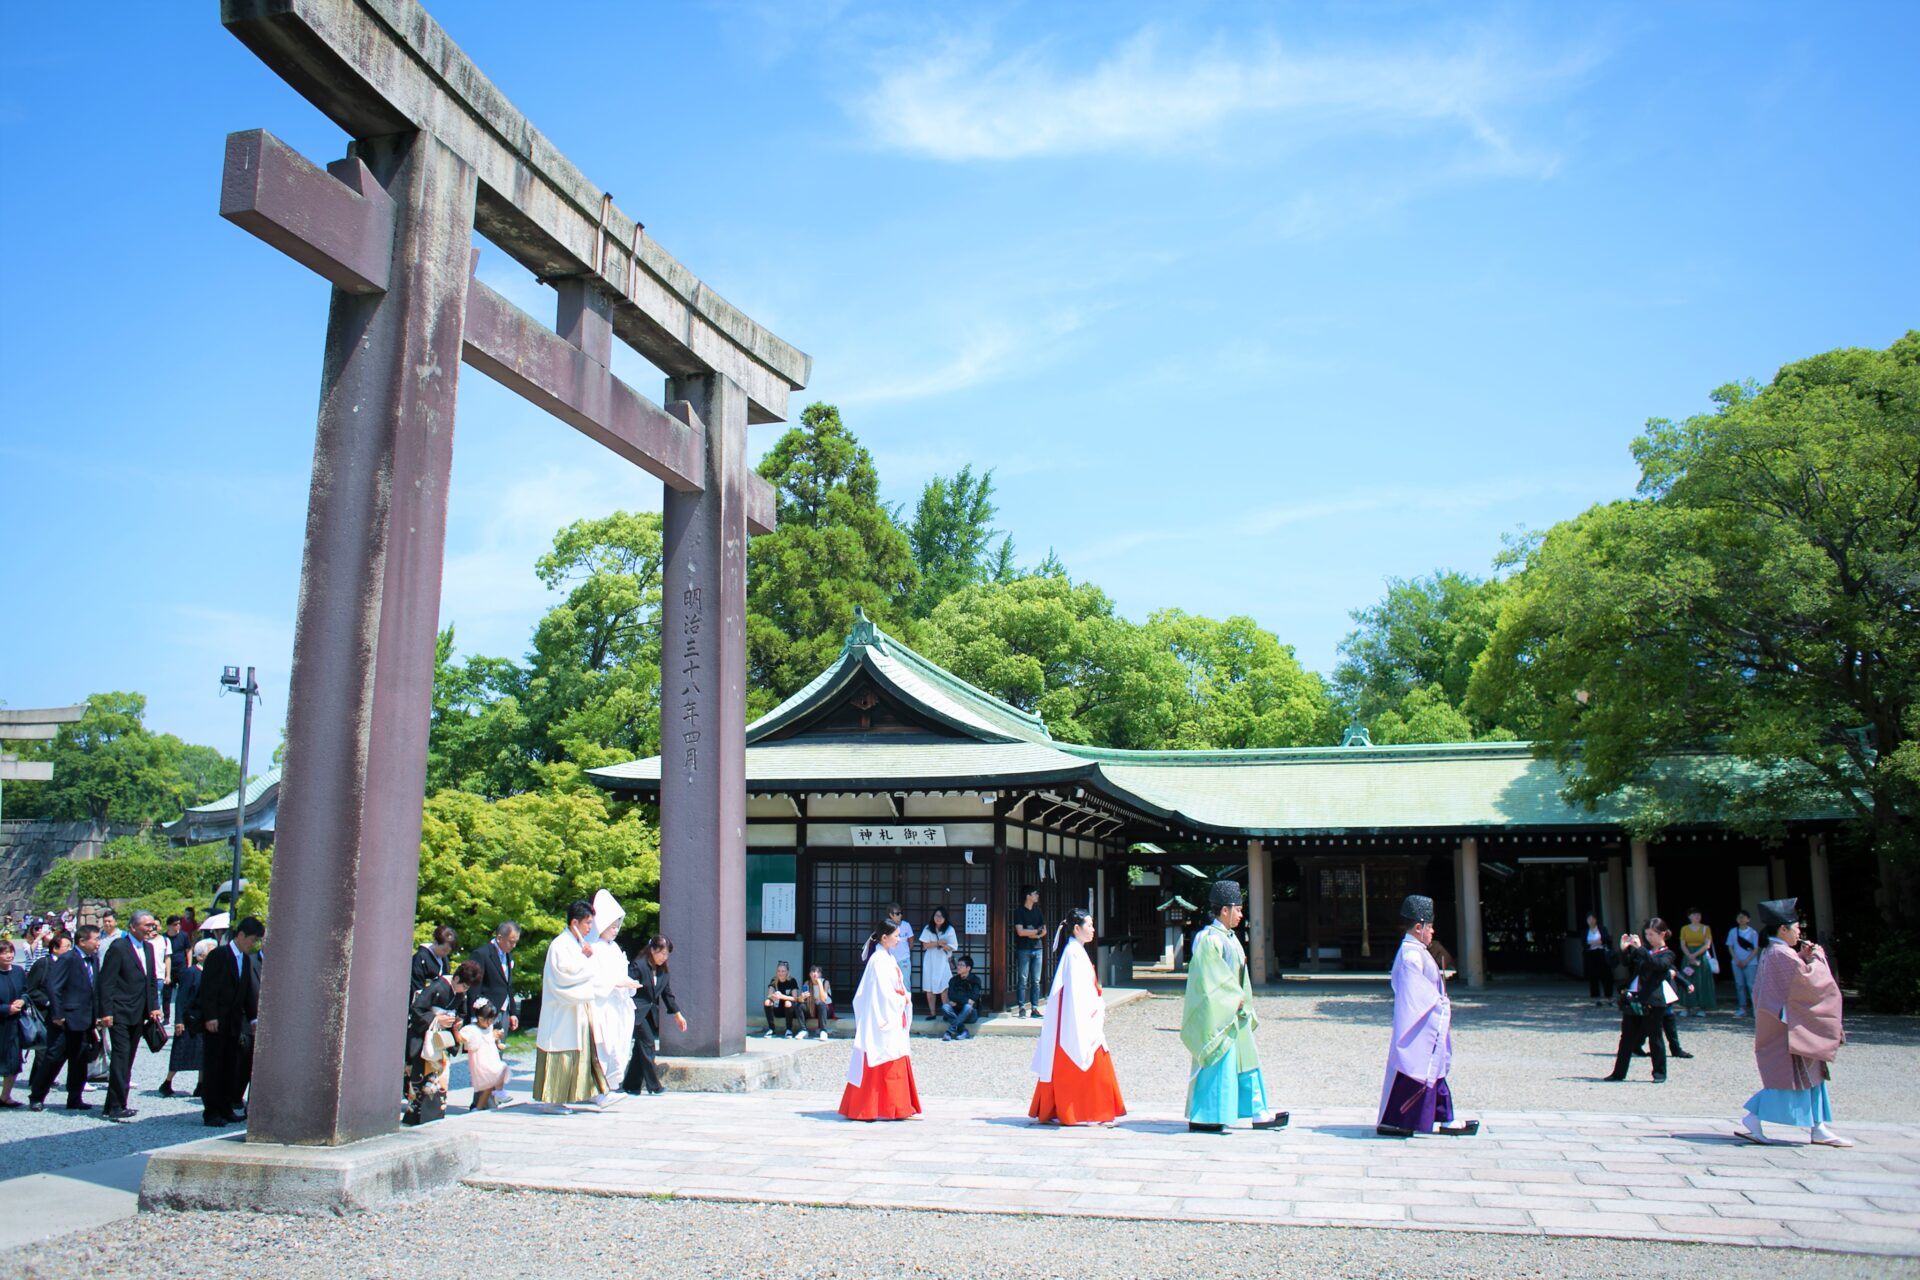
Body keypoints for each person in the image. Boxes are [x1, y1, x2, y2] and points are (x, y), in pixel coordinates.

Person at [1739, 898, 1851, 1147]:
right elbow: (1809, 982)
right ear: (1783, 929)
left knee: (1807, 1077)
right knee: (1788, 1081)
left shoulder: (1776, 952)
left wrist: (1802, 956)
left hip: (1787, 1026)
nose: (1799, 932)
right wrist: (1817, 959)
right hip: (1790, 1030)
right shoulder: (1781, 954)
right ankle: (1754, 1117)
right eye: (1796, 927)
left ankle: (1818, 1126)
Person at [1181, 881, 1287, 1135]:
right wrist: (1234, 998)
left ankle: (1259, 1111)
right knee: (1219, 1062)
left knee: (1247, 1061)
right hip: (1220, 1014)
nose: (1241, 914)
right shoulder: (1209, 940)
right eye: (1238, 909)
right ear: (1224, 911)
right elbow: (1210, 980)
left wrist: (1240, 1000)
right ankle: (1206, 1116)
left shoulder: (1230, 938)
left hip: (1235, 1010)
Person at [1377, 895, 1477, 1138]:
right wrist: (1439, 1004)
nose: (1433, 931)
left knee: (1434, 1071)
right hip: (1420, 1024)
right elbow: (1415, 995)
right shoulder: (1412, 955)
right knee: (1418, 1071)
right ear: (1419, 927)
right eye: (1430, 927)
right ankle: (1399, 1120)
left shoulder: (1416, 952)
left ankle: (1445, 1117)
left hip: (1426, 1024)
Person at [1029, 909, 1125, 1126]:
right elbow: (1075, 991)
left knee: (1090, 1062)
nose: (1092, 930)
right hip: (1077, 1016)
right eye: (1089, 925)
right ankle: (1087, 1111)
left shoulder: (1076, 951)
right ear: (1077, 929)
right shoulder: (1073, 953)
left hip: (1082, 1013)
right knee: (1086, 1062)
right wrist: (1088, 1013)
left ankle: (1086, 1110)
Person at [839, 919, 920, 1121]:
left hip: (889, 1013)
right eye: (896, 936)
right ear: (884, 938)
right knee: (884, 1054)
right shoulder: (879, 960)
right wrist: (902, 998)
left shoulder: (887, 957)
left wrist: (902, 997)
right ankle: (879, 1107)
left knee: (892, 1054)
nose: (899, 939)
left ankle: (893, 1106)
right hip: (882, 1016)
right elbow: (883, 992)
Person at [534, 901, 608, 1105]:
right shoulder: (560, 945)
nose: (589, 928)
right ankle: (553, 1100)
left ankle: (592, 1093)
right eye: (587, 923)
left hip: (577, 1009)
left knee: (584, 1052)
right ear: (574, 922)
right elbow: (563, 974)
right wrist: (588, 963)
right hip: (562, 1011)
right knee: (562, 1054)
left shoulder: (576, 944)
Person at [95, 909, 165, 1122]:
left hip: (139, 1012)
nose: (150, 929)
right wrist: (105, 1012)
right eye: (146, 925)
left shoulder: (149, 948)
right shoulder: (119, 948)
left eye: (152, 925)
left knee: (129, 1058)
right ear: (133, 927)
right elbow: (106, 982)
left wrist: (154, 1005)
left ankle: (113, 1102)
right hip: (120, 1012)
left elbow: (151, 980)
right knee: (120, 1057)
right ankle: (117, 1105)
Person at [198, 916, 264, 1127]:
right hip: (217, 1020)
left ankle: (226, 1107)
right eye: (252, 939)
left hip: (234, 1022)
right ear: (241, 935)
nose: (252, 944)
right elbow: (208, 988)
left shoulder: (245, 960)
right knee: (214, 1066)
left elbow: (246, 993)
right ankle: (212, 1111)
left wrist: (252, 1017)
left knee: (230, 1066)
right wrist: (210, 1016)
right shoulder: (219, 955)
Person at [29, 924, 101, 1113]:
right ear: (82, 941)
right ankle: (37, 1095)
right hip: (66, 1018)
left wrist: (97, 1015)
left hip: (85, 1018)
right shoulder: (68, 958)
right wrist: (58, 1014)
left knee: (79, 1059)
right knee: (54, 1057)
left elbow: (94, 988)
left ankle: (75, 1097)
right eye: (95, 939)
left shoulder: (93, 959)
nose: (98, 943)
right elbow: (54, 987)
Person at [1604, 918, 1676, 1083]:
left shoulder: (1668, 954)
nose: (1648, 937)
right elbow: (1627, 962)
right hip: (1634, 997)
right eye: (1646, 934)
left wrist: (1641, 948)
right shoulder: (1645, 951)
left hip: (1653, 999)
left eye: (1651, 934)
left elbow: (1657, 965)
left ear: (1662, 934)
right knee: (1626, 1037)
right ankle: (1618, 1072)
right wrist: (1624, 949)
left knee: (1655, 1036)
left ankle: (1659, 1073)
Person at [409, 959, 479, 1107]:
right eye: (464, 986)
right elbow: (417, 1008)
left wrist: (458, 1021)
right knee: (422, 1076)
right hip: (427, 1037)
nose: (465, 990)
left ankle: (437, 1109)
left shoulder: (460, 993)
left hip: (442, 1040)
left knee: (441, 1076)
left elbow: (462, 1012)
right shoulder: (437, 986)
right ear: (456, 978)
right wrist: (436, 1018)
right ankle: (416, 1112)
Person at [587, 890, 640, 1085]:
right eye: (612, 926)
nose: (615, 930)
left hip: (619, 1004)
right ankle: (599, 1086)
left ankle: (609, 1085)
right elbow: (594, 979)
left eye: (617, 926)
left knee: (619, 1045)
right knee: (605, 1046)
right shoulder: (594, 948)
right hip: (604, 1004)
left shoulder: (615, 948)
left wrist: (628, 984)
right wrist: (615, 983)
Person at [623, 935, 684, 1095]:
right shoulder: (639, 966)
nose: (664, 958)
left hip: (649, 1014)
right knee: (649, 1044)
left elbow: (667, 994)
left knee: (639, 1050)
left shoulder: (663, 972)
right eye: (661, 953)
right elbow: (627, 986)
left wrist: (677, 1014)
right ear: (652, 950)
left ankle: (631, 1085)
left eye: (666, 955)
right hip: (636, 1012)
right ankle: (654, 1085)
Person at [161, 938, 214, 1098]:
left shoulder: (211, 973)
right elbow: (181, 998)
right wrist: (178, 1021)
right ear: (200, 956)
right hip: (189, 1018)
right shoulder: (191, 972)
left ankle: (201, 1084)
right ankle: (167, 1082)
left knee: (203, 1053)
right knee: (181, 1051)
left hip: (203, 1018)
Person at [466, 921, 522, 1033]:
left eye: (516, 942)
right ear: (499, 938)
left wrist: (513, 1012)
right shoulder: (481, 954)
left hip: (504, 1011)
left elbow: (507, 985)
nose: (514, 946)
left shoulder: (508, 955)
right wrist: (474, 1016)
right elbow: (474, 986)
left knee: (499, 1048)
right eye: (511, 942)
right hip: (485, 1012)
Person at [460, 997, 510, 1110]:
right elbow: (462, 1038)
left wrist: (498, 1043)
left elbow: (493, 1037)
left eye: (492, 1020)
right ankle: (497, 1095)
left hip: (491, 1058)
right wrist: (455, 1030)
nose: (490, 1022)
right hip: (480, 1060)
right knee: (489, 1081)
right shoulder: (472, 1029)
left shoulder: (490, 1028)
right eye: (487, 1019)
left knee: (491, 1082)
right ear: (479, 1017)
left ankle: (479, 1107)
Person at [0, 938, 27, 1108]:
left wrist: (22, 1001)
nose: (8, 955)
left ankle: (5, 1096)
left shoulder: (18, 971)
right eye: (4, 952)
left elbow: (26, 991)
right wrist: (5, 1009)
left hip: (14, 1024)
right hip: (1, 1021)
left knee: (13, 1062)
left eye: (10, 952)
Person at [918, 908, 958, 1019]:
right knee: (929, 988)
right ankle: (932, 1013)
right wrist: (939, 943)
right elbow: (925, 945)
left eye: (941, 916)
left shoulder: (949, 929)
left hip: (943, 961)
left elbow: (953, 947)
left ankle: (947, 1013)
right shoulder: (928, 928)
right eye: (936, 915)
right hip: (930, 961)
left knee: (944, 987)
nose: (938, 918)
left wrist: (941, 945)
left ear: (945, 918)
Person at [1678, 909, 1718, 1016]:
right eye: (1694, 914)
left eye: (1698, 914)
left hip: (1701, 956)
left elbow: (1707, 944)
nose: (1697, 916)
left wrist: (1694, 955)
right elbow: (1682, 944)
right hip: (1688, 955)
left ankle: (1702, 1007)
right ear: (1689, 916)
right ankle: (1686, 1007)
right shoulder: (1684, 929)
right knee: (1687, 979)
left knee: (1702, 980)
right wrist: (1689, 955)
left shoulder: (1706, 928)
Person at [1013, 887, 1045, 1018]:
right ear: (1028, 896)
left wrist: (1033, 934)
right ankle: (1021, 1007)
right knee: (1023, 979)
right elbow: (1020, 932)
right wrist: (1036, 932)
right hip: (1024, 948)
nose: (1037, 895)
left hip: (1038, 947)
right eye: (1034, 893)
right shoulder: (1019, 911)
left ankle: (1035, 1008)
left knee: (1036, 980)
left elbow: (1044, 930)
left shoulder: (1038, 910)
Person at [1727, 910, 1761, 1017]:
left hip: (1751, 963)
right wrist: (1736, 960)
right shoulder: (1733, 931)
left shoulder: (1753, 932)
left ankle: (1756, 1007)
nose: (1741, 919)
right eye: (1739, 916)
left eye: (1743, 917)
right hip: (1736, 962)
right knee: (1739, 985)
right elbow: (1730, 947)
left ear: (1748, 919)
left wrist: (1746, 960)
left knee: (1751, 985)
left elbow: (1756, 949)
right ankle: (1742, 1007)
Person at [940, 956, 983, 1041]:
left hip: (970, 1014)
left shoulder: (975, 980)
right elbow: (951, 995)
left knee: (968, 1007)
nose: (958, 967)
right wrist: (966, 1000)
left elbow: (974, 997)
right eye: (958, 964)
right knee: (945, 1007)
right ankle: (964, 1031)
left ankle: (949, 1032)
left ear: (968, 968)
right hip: (955, 1010)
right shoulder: (953, 980)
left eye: (961, 965)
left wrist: (959, 1001)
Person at [762, 961, 804, 1038]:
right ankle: (771, 1029)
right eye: (778, 971)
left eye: (783, 971)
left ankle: (789, 1029)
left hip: (789, 1009)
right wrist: (773, 996)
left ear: (787, 972)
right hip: (778, 1008)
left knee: (788, 1002)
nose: (780, 973)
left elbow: (795, 998)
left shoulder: (792, 980)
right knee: (767, 1002)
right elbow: (769, 995)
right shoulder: (774, 980)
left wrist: (782, 996)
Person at [413, 925, 456, 997]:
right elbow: (416, 985)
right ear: (435, 942)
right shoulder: (421, 957)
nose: (445, 954)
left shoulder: (444, 959)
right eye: (444, 950)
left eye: (448, 952)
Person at [1582, 913, 1614, 1005]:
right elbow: (1584, 943)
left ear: (1596, 920)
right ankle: (1596, 999)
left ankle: (1609, 997)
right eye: (1589, 919)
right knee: (1593, 977)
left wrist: (1592, 942)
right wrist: (1596, 942)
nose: (1591, 921)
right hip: (1591, 955)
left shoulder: (1602, 929)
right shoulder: (1585, 931)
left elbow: (1606, 939)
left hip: (1602, 954)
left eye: (1592, 919)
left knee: (1606, 977)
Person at [162, 915, 186, 1022]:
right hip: (169, 968)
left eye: (179, 924)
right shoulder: (164, 938)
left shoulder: (183, 936)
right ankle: (166, 1017)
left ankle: (182, 1015)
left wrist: (189, 964)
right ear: (169, 926)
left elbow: (188, 949)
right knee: (167, 994)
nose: (178, 926)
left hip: (181, 966)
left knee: (183, 993)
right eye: (175, 924)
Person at [800, 964, 834, 1040]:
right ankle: (803, 1030)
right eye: (813, 971)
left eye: (818, 972)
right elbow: (802, 1000)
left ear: (821, 974)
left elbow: (823, 999)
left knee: (821, 1004)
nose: (815, 974)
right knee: (800, 1006)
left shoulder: (825, 982)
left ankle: (823, 1031)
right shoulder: (807, 983)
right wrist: (802, 996)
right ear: (810, 974)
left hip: (826, 1009)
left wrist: (819, 984)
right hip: (813, 1008)